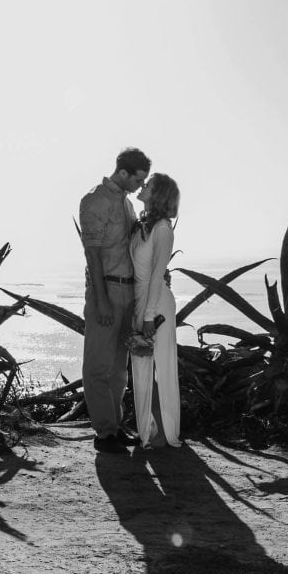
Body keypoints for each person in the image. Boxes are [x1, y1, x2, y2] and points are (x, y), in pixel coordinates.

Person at [79, 147, 151, 453]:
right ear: (123, 173)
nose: (140, 186)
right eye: (139, 178)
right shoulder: (95, 200)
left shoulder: (127, 204)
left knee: (119, 368)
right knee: (97, 365)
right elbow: (92, 253)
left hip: (128, 291)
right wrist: (102, 299)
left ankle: (115, 426)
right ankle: (104, 433)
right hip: (105, 290)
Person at [129, 173, 181, 448]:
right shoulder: (142, 225)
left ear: (158, 194)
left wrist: (148, 316)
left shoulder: (162, 229)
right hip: (140, 301)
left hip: (157, 303)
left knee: (158, 365)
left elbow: (157, 274)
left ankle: (162, 431)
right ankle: (148, 428)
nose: (143, 186)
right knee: (141, 363)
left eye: (148, 185)